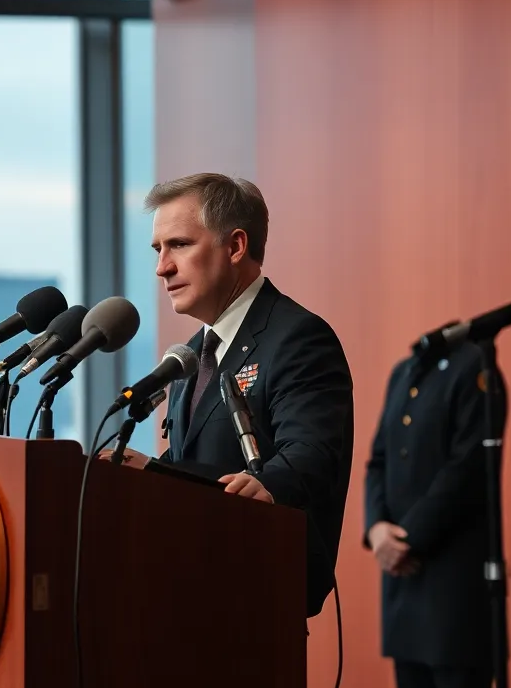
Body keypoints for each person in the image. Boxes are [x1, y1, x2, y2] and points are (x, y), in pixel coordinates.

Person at [108, 172, 354, 618]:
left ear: (235, 246)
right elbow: (202, 469)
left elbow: (310, 454)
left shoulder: (297, 337)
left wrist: (265, 483)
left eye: (179, 245)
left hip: (255, 599)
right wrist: (151, 476)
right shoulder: (191, 355)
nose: (162, 267)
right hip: (186, 596)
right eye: (157, 250)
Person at [364, 340, 504, 688]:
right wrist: (376, 529)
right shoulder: (403, 371)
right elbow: (377, 462)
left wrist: (406, 540)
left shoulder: (473, 365)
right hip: (401, 585)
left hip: (452, 585)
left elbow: (467, 468)